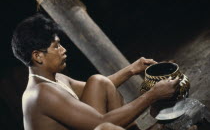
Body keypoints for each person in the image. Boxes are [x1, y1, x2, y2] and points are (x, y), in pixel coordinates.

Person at [11, 13, 180, 130]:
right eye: (56, 46)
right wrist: (152, 95)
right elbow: (101, 122)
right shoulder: (40, 93)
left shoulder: (52, 79)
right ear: (38, 56)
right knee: (105, 127)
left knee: (98, 81)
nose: (63, 50)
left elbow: (101, 87)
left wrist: (131, 70)